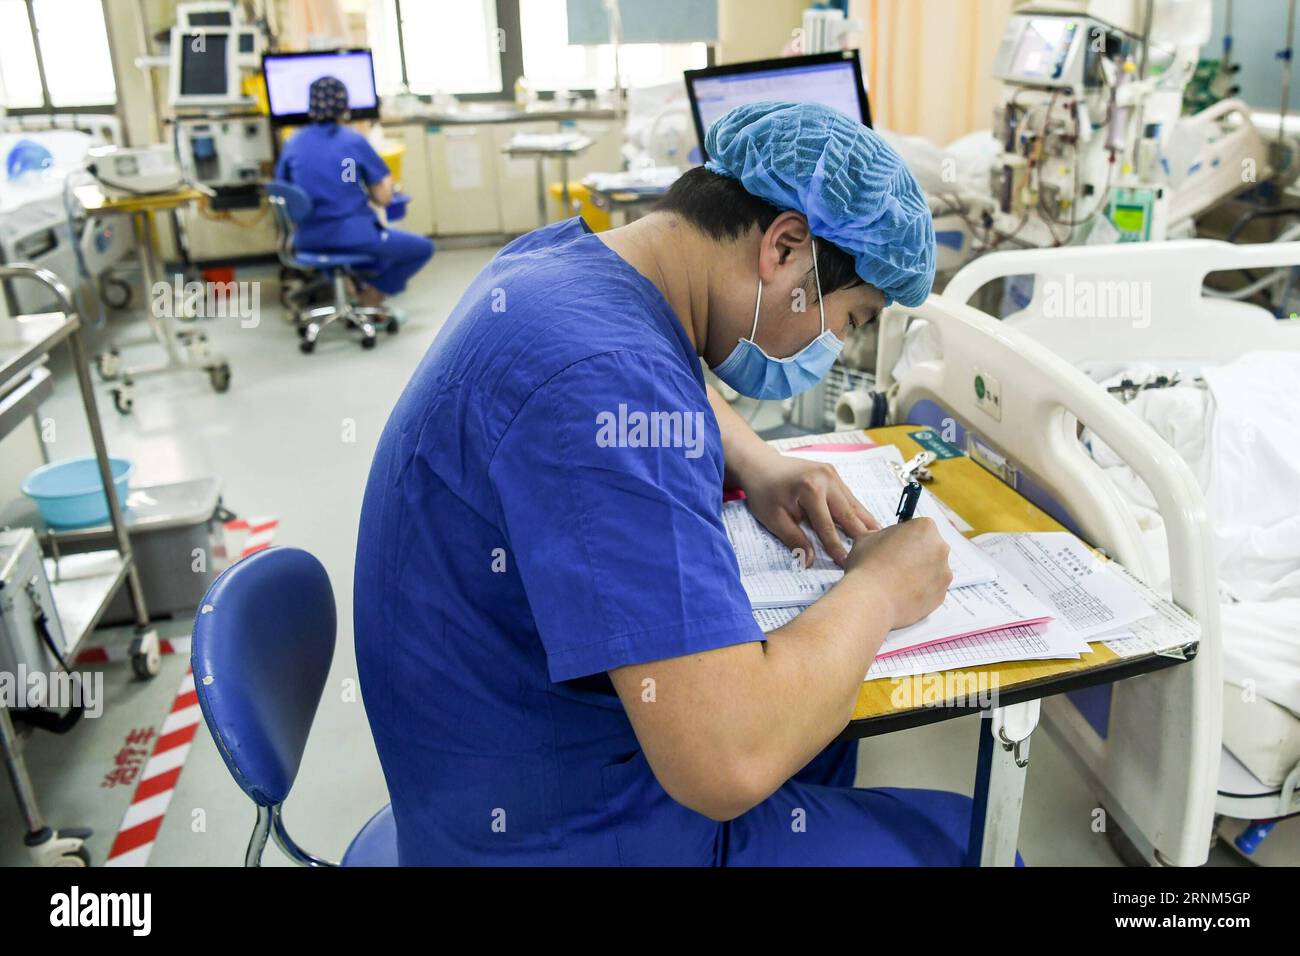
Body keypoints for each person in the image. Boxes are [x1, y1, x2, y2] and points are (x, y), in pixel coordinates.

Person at [354, 101, 983, 865]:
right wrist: (879, 588)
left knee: (823, 740)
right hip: (561, 835)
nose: (834, 344)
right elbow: (727, 761)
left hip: (482, 768)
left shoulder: (565, 270)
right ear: (785, 248)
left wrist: (757, 460)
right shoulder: (607, 388)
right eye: (848, 320)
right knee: (970, 844)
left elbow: (666, 370)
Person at [274, 75, 433, 308]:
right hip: (354, 237)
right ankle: (371, 297)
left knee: (346, 253)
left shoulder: (293, 143)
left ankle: (348, 292)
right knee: (422, 248)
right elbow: (383, 198)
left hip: (308, 240)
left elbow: (284, 191)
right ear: (345, 108)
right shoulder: (353, 141)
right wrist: (384, 181)